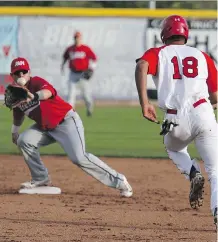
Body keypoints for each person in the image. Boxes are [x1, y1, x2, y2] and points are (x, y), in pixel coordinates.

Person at [135, 15, 217, 227]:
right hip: (203, 112)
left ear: (164, 33)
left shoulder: (158, 53)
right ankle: (217, 210)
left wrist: (145, 102)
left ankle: (192, 172)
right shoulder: (202, 55)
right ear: (185, 34)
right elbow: (216, 95)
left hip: (175, 118)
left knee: (173, 148)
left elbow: (142, 65)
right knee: (216, 171)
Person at [9, 57, 133, 198]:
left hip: (66, 122)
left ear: (29, 72)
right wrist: (14, 131)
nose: (21, 75)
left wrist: (34, 96)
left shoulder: (36, 82)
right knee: (24, 141)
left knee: (79, 158)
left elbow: (48, 92)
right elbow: (18, 112)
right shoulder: (16, 94)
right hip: (45, 127)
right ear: (12, 75)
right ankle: (41, 179)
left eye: (23, 72)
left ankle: (119, 181)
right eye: (17, 72)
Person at [61, 31, 97, 117]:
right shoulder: (70, 49)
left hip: (83, 75)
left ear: (81, 38)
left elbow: (94, 59)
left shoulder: (85, 48)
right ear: (74, 38)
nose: (77, 39)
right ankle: (70, 114)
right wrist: (62, 66)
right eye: (75, 38)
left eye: (78, 37)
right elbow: (65, 58)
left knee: (86, 95)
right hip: (73, 74)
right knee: (71, 95)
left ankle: (89, 109)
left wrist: (91, 69)